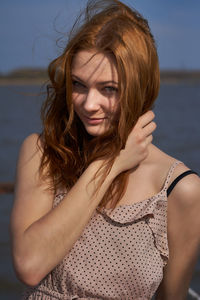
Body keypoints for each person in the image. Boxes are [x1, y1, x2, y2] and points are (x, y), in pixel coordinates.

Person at [10, 0, 200, 299]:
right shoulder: (43, 153)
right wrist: (109, 164)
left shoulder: (179, 188)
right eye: (79, 84)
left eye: (108, 88)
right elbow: (30, 264)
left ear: (140, 87)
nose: (88, 104)